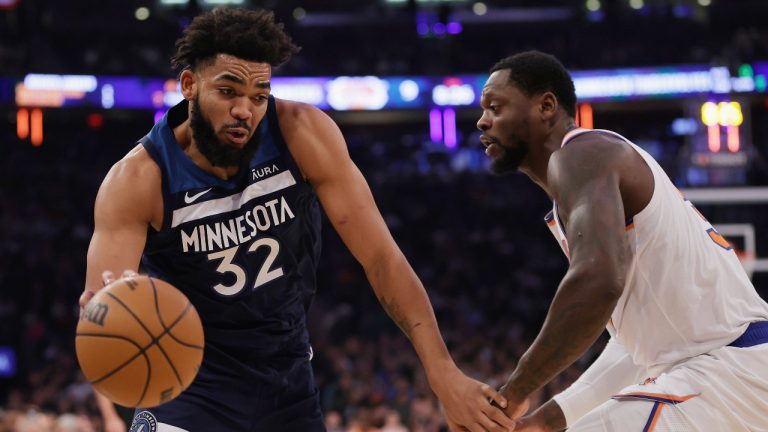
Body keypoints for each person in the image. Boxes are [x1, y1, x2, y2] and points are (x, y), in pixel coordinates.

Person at [78, 7, 515, 432]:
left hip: (286, 383)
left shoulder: (302, 133)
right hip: (187, 386)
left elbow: (382, 258)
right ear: (189, 85)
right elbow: (104, 303)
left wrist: (442, 373)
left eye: (259, 96)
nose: (244, 111)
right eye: (228, 91)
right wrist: (104, 310)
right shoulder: (137, 180)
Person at [475, 50, 768, 431]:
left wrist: (513, 392)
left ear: (546, 106)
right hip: (733, 373)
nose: (482, 121)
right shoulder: (589, 179)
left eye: (495, 107)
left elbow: (596, 283)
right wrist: (544, 421)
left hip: (725, 370)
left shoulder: (581, 155)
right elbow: (634, 350)